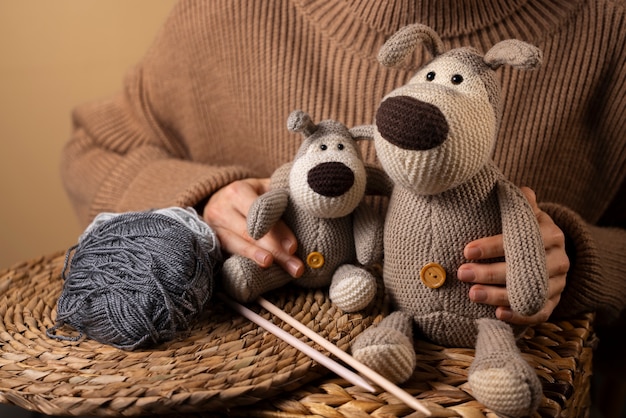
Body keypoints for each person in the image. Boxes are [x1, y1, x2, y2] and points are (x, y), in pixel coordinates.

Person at [61, 0, 625, 414]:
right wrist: (205, 198)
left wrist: (582, 258)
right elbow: (92, 151)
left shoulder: (610, 27)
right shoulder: (221, 13)